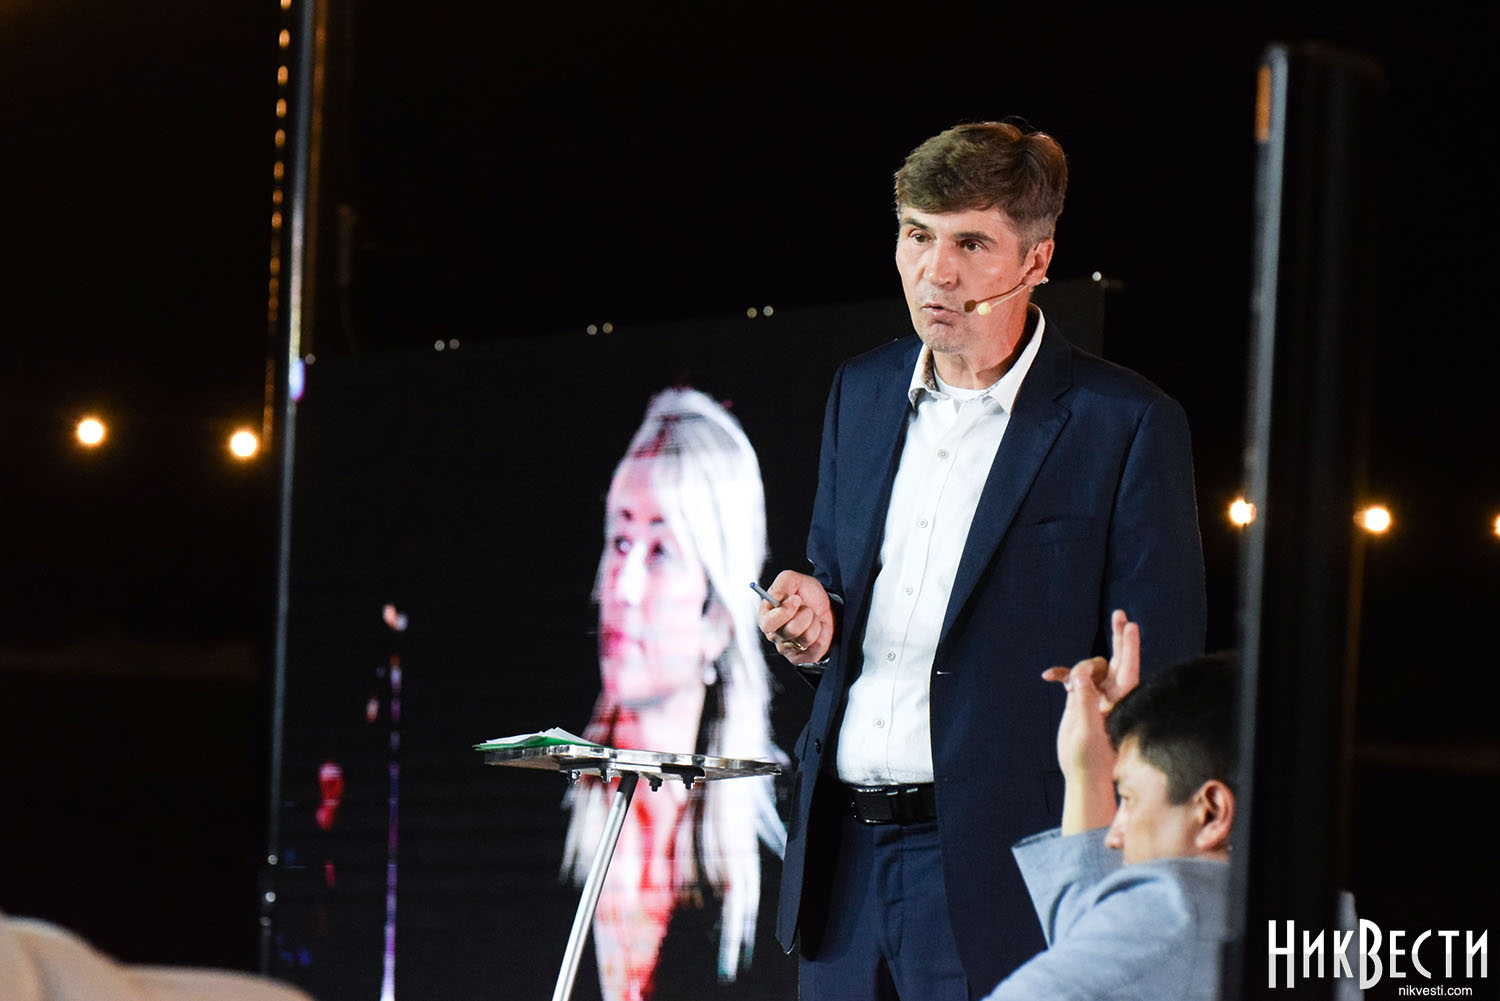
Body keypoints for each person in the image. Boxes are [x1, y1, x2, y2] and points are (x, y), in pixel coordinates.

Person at [758, 121, 1207, 998]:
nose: (936, 271)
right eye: (917, 235)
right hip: (842, 868)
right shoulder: (862, 390)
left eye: (970, 243)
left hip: (1003, 874)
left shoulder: (1125, 423)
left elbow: (1160, 674)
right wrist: (814, 628)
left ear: (1038, 259)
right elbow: (838, 601)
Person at [986, 615, 1359, 1000]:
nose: (1113, 837)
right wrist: (1089, 776)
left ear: (1211, 813)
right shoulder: (1329, 931)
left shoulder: (1171, 916)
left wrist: (1089, 778)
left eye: (1129, 799)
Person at [563, 388, 787, 1001]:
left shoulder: (775, 855)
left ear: (719, 617)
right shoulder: (546, 816)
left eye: (661, 551)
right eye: (620, 541)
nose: (624, 587)